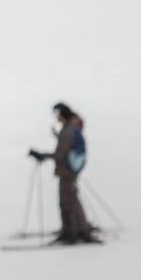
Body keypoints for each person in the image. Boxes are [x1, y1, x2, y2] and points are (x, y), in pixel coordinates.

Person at [29, 102, 99, 245]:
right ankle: (80, 229)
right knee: (72, 200)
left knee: (66, 202)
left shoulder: (68, 131)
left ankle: (71, 233)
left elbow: (61, 153)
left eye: (57, 114)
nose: (56, 118)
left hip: (67, 171)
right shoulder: (70, 129)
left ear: (62, 114)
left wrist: (43, 156)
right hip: (70, 171)